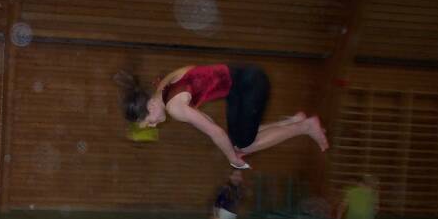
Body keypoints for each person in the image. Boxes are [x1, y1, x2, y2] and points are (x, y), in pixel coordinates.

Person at [117, 64, 329, 169]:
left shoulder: (174, 107)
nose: (153, 125)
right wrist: (229, 148)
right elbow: (209, 123)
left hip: (249, 85)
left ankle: (306, 127)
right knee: (236, 140)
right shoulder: (162, 87)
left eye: (148, 122)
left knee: (244, 146)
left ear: (151, 105)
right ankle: (293, 121)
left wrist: (233, 160)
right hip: (241, 83)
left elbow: (215, 132)